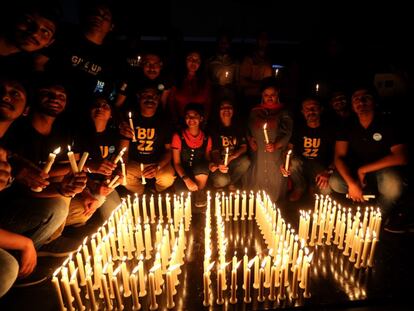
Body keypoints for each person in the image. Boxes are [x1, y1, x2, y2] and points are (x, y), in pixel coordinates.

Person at [0, 76, 83, 293]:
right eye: (47, 94)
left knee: (62, 202)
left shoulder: (10, 152)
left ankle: (27, 255)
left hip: (14, 208)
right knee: (6, 268)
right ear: (29, 109)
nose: (6, 96)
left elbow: (30, 185)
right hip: (10, 213)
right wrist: (22, 243)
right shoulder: (18, 137)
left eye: (15, 93)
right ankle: (21, 257)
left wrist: (62, 189)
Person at [329, 86, 408, 219]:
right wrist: (352, 184)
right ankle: (359, 204)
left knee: (393, 186)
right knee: (335, 182)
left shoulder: (388, 123)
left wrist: (363, 170)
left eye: (366, 97)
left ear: (375, 101)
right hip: (355, 170)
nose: (361, 102)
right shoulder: (347, 125)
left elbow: (401, 157)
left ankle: (377, 215)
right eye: (356, 99)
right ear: (352, 105)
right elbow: (339, 157)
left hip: (382, 170)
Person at [65, 95, 122, 225]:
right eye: (96, 105)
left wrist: (112, 180)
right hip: (81, 185)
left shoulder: (114, 136)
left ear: (111, 114)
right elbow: (74, 170)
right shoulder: (78, 135)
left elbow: (114, 166)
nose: (100, 108)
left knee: (118, 217)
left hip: (103, 186)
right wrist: (92, 187)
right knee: (87, 209)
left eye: (105, 106)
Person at [119, 83, 175, 195]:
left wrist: (157, 167)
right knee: (122, 178)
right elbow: (123, 151)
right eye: (146, 96)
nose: (150, 100)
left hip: (157, 163)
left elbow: (169, 151)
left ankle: (157, 192)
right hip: (135, 163)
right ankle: (141, 194)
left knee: (168, 178)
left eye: (154, 97)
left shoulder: (164, 121)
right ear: (139, 98)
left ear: (158, 100)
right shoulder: (130, 121)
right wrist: (122, 169)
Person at [247, 77, 293, 202]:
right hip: (259, 150)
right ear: (262, 95)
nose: (269, 97)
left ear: (277, 94)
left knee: (274, 174)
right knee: (258, 174)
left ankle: (275, 201)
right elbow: (247, 128)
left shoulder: (283, 112)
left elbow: (287, 131)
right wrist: (250, 139)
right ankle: (258, 201)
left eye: (272, 94)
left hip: (275, 151)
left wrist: (277, 144)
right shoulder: (255, 111)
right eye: (266, 95)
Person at [285, 96, 335, 201]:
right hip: (302, 163)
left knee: (326, 192)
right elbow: (289, 148)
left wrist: (329, 171)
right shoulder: (299, 128)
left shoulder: (330, 129)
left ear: (321, 110)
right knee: (292, 163)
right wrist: (285, 162)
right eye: (307, 109)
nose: (311, 111)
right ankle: (300, 186)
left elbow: (338, 154)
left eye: (314, 108)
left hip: (321, 166)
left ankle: (313, 187)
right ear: (303, 111)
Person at [0, 2, 59, 74]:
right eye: (28, 21)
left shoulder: (21, 67)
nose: (35, 33)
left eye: (45, 32)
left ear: (49, 43)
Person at [171, 103, 212, 207]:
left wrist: (213, 165)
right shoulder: (178, 136)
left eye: (195, 116)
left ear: (201, 118)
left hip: (200, 173)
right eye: (188, 116)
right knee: (182, 192)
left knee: (202, 167)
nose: (191, 119)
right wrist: (186, 179)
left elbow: (207, 160)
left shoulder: (206, 138)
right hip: (184, 172)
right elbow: (176, 163)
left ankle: (199, 193)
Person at [209, 99, 250, 191]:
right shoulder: (214, 128)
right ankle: (219, 185)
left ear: (233, 110)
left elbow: (244, 147)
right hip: (218, 163)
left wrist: (232, 156)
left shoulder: (238, 126)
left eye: (229, 107)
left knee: (246, 161)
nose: (226, 109)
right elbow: (214, 151)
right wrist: (220, 163)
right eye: (223, 107)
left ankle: (231, 183)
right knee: (222, 180)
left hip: (232, 161)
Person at [168, 50, 212, 127]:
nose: (194, 62)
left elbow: (208, 103)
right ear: (184, 60)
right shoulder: (177, 79)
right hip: (179, 122)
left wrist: (204, 121)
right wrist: (174, 119)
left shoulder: (205, 81)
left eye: (197, 60)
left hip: (198, 124)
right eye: (190, 59)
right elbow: (171, 101)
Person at [206, 30, 239, 104]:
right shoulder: (210, 62)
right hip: (214, 97)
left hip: (230, 97)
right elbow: (205, 81)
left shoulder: (235, 62)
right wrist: (215, 85)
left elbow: (238, 83)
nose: (223, 44)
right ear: (217, 43)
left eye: (226, 42)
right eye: (221, 42)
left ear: (229, 44)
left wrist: (232, 86)